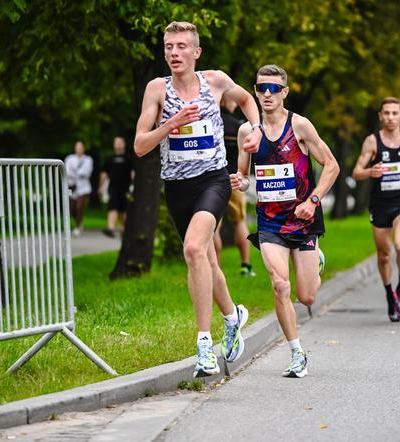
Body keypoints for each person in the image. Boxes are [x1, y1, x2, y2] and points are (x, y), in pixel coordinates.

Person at [133, 21, 263, 378]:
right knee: (205, 259)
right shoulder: (157, 89)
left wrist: (257, 130)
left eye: (181, 46)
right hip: (176, 186)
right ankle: (233, 317)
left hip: (214, 180)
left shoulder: (215, 81)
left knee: (193, 249)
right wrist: (170, 123)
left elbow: (247, 100)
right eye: (169, 47)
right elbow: (140, 145)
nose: (174, 53)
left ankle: (205, 346)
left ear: (196, 52)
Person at [231, 64, 339, 378]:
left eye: (274, 88)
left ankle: (315, 259)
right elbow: (245, 174)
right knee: (279, 285)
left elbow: (331, 166)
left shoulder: (301, 126)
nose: (267, 93)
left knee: (306, 296)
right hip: (270, 223)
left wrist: (313, 200)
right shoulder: (246, 132)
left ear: (285, 92)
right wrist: (240, 182)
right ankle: (296, 353)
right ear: (255, 90)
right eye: (262, 88)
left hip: (303, 220)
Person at [352, 97, 400, 322]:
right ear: (380, 116)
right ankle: (389, 294)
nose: (391, 117)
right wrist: (369, 172)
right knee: (384, 255)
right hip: (380, 205)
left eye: (395, 113)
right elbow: (357, 171)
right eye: (386, 113)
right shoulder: (372, 141)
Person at [213, 96, 255, 277]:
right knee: (239, 222)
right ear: (226, 102)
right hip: (236, 178)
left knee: (214, 227)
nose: (235, 104)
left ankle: (216, 269)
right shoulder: (239, 126)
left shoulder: (211, 123)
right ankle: (246, 265)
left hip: (214, 180)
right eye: (233, 102)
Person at [98, 136, 134, 238]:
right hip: (113, 187)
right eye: (116, 143)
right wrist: (100, 187)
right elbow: (104, 174)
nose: (118, 145)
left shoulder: (129, 158)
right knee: (112, 206)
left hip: (126, 188)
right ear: (114, 145)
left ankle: (125, 229)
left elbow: (133, 173)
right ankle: (111, 228)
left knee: (123, 210)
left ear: (124, 144)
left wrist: (133, 185)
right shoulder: (110, 159)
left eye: (120, 143)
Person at [65, 140, 94, 237]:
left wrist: (75, 172)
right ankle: (79, 223)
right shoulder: (70, 158)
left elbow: (86, 172)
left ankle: (77, 227)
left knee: (79, 207)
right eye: (77, 148)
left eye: (80, 148)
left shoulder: (88, 160)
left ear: (83, 149)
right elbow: (67, 171)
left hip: (83, 188)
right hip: (72, 186)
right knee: (72, 208)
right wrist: (77, 172)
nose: (79, 150)